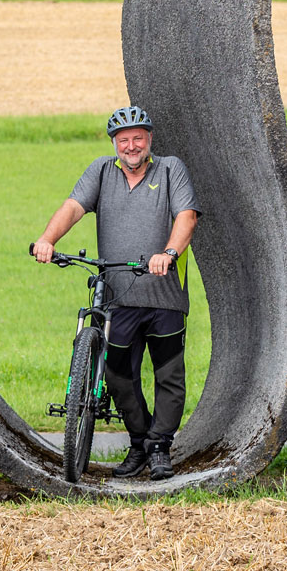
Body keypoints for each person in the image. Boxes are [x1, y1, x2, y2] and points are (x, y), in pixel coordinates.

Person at [31, 106, 199, 482]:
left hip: (164, 296)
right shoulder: (102, 172)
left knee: (168, 375)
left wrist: (169, 253)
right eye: (124, 140)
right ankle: (140, 442)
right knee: (118, 375)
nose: (131, 145)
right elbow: (73, 207)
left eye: (138, 137)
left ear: (149, 140)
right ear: (115, 144)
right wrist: (47, 239)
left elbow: (186, 216)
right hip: (117, 296)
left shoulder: (171, 169)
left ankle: (159, 448)